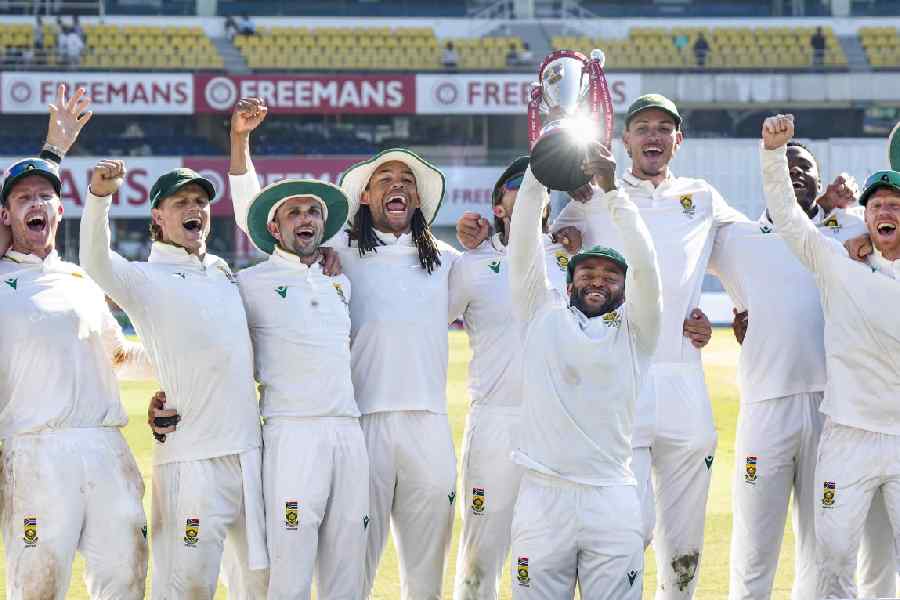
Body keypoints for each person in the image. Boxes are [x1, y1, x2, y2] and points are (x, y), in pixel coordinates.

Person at [228, 97, 462, 600]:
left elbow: (508, 283)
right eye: (385, 180)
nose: (397, 187)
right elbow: (259, 219)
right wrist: (241, 145)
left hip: (429, 422)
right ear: (365, 197)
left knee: (427, 573)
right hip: (360, 425)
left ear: (419, 200)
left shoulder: (446, 261)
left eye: (407, 182)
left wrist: (510, 240)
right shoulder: (340, 255)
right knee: (350, 569)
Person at [551, 93, 744, 600]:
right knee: (626, 530)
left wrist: (738, 311)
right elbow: (549, 260)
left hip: (684, 379)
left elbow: (754, 252)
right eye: (643, 128)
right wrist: (559, 240)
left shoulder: (702, 196)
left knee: (685, 538)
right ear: (626, 140)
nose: (653, 136)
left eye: (664, 128)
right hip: (623, 384)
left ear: (678, 140)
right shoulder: (591, 198)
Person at [711, 141, 897, 599]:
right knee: (762, 542)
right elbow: (670, 265)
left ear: (822, 182)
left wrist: (848, 220)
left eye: (805, 167)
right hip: (779, 408)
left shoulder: (848, 229)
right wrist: (687, 323)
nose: (795, 173)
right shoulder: (745, 238)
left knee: (834, 548)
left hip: (837, 412)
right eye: (785, 167)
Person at [80, 162, 268, 599]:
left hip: (249, 454)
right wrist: (99, 198)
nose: (194, 209)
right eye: (180, 202)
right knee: (187, 587)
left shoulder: (222, 270)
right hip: (192, 462)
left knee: (259, 585)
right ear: (157, 218)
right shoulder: (144, 279)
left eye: (201, 202)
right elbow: (94, 261)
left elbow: (208, 351)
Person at [0, 87, 155, 600]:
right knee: (37, 589)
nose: (37, 203)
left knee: (125, 582)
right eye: (23, 199)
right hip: (33, 452)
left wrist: (188, 361)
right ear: (4, 217)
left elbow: (119, 357)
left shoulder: (81, 278)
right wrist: (51, 149)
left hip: (105, 448)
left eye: (46, 196)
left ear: (61, 212)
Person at [507, 143, 661, 599]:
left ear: (624, 285)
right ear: (569, 280)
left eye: (610, 275)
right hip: (542, 496)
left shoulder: (637, 331)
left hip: (610, 497)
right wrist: (537, 171)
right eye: (587, 272)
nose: (597, 280)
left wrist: (613, 190)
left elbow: (646, 263)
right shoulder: (540, 313)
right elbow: (522, 244)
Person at [228, 101, 368, 598]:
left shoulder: (338, 281)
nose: (305, 219)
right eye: (294, 212)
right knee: (290, 570)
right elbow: (246, 202)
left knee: (348, 569)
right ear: (273, 226)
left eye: (313, 212)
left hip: (348, 433)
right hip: (292, 436)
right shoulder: (249, 283)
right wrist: (240, 140)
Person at [761, 113, 900, 599]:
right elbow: (789, 220)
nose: (887, 212)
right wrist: (773, 157)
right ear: (865, 216)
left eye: (897, 205)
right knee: (835, 557)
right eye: (878, 204)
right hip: (847, 435)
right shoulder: (839, 263)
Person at [448, 156, 572, 600]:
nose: (531, 187)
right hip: (495, 425)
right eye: (518, 183)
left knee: (544, 552)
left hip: (556, 426)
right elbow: (425, 323)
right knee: (481, 551)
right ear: (498, 207)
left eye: (539, 183)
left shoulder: (569, 258)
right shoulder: (471, 264)